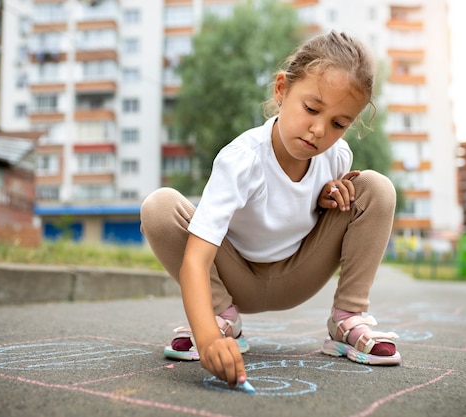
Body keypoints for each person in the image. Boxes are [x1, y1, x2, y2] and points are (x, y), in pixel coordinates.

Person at [140, 30, 400, 387]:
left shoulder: (337, 157)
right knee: (159, 206)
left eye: (339, 123)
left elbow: (302, 207)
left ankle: (346, 320)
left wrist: (324, 200)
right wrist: (208, 338)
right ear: (281, 90)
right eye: (311, 108)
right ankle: (223, 319)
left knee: (376, 187)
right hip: (235, 278)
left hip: (299, 275)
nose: (319, 130)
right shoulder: (242, 159)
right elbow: (196, 260)